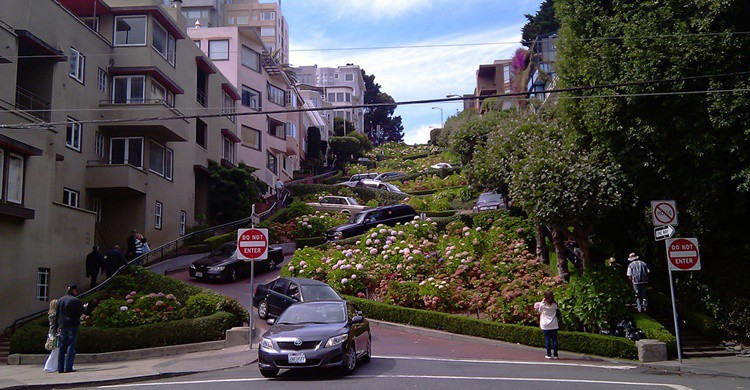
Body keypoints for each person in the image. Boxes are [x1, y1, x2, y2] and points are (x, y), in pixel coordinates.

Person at [56, 285, 87, 373]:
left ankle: (60, 367)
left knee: (62, 347)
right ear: (73, 291)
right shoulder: (75, 300)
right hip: (72, 325)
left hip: (62, 325)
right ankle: (68, 367)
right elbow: (81, 312)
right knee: (70, 345)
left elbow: (57, 315)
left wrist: (56, 327)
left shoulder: (60, 300)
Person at [534, 290, 559, 359]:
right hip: (554, 323)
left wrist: (542, 301)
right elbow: (557, 310)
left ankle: (548, 354)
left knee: (547, 339)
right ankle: (556, 355)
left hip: (545, 324)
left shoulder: (543, 304)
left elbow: (539, 311)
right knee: (554, 340)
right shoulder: (555, 303)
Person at [43, 299, 59, 373]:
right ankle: (49, 366)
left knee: (56, 350)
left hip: (53, 333)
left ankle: (54, 366)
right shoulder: (53, 315)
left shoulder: (52, 314)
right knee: (55, 350)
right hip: (53, 333)